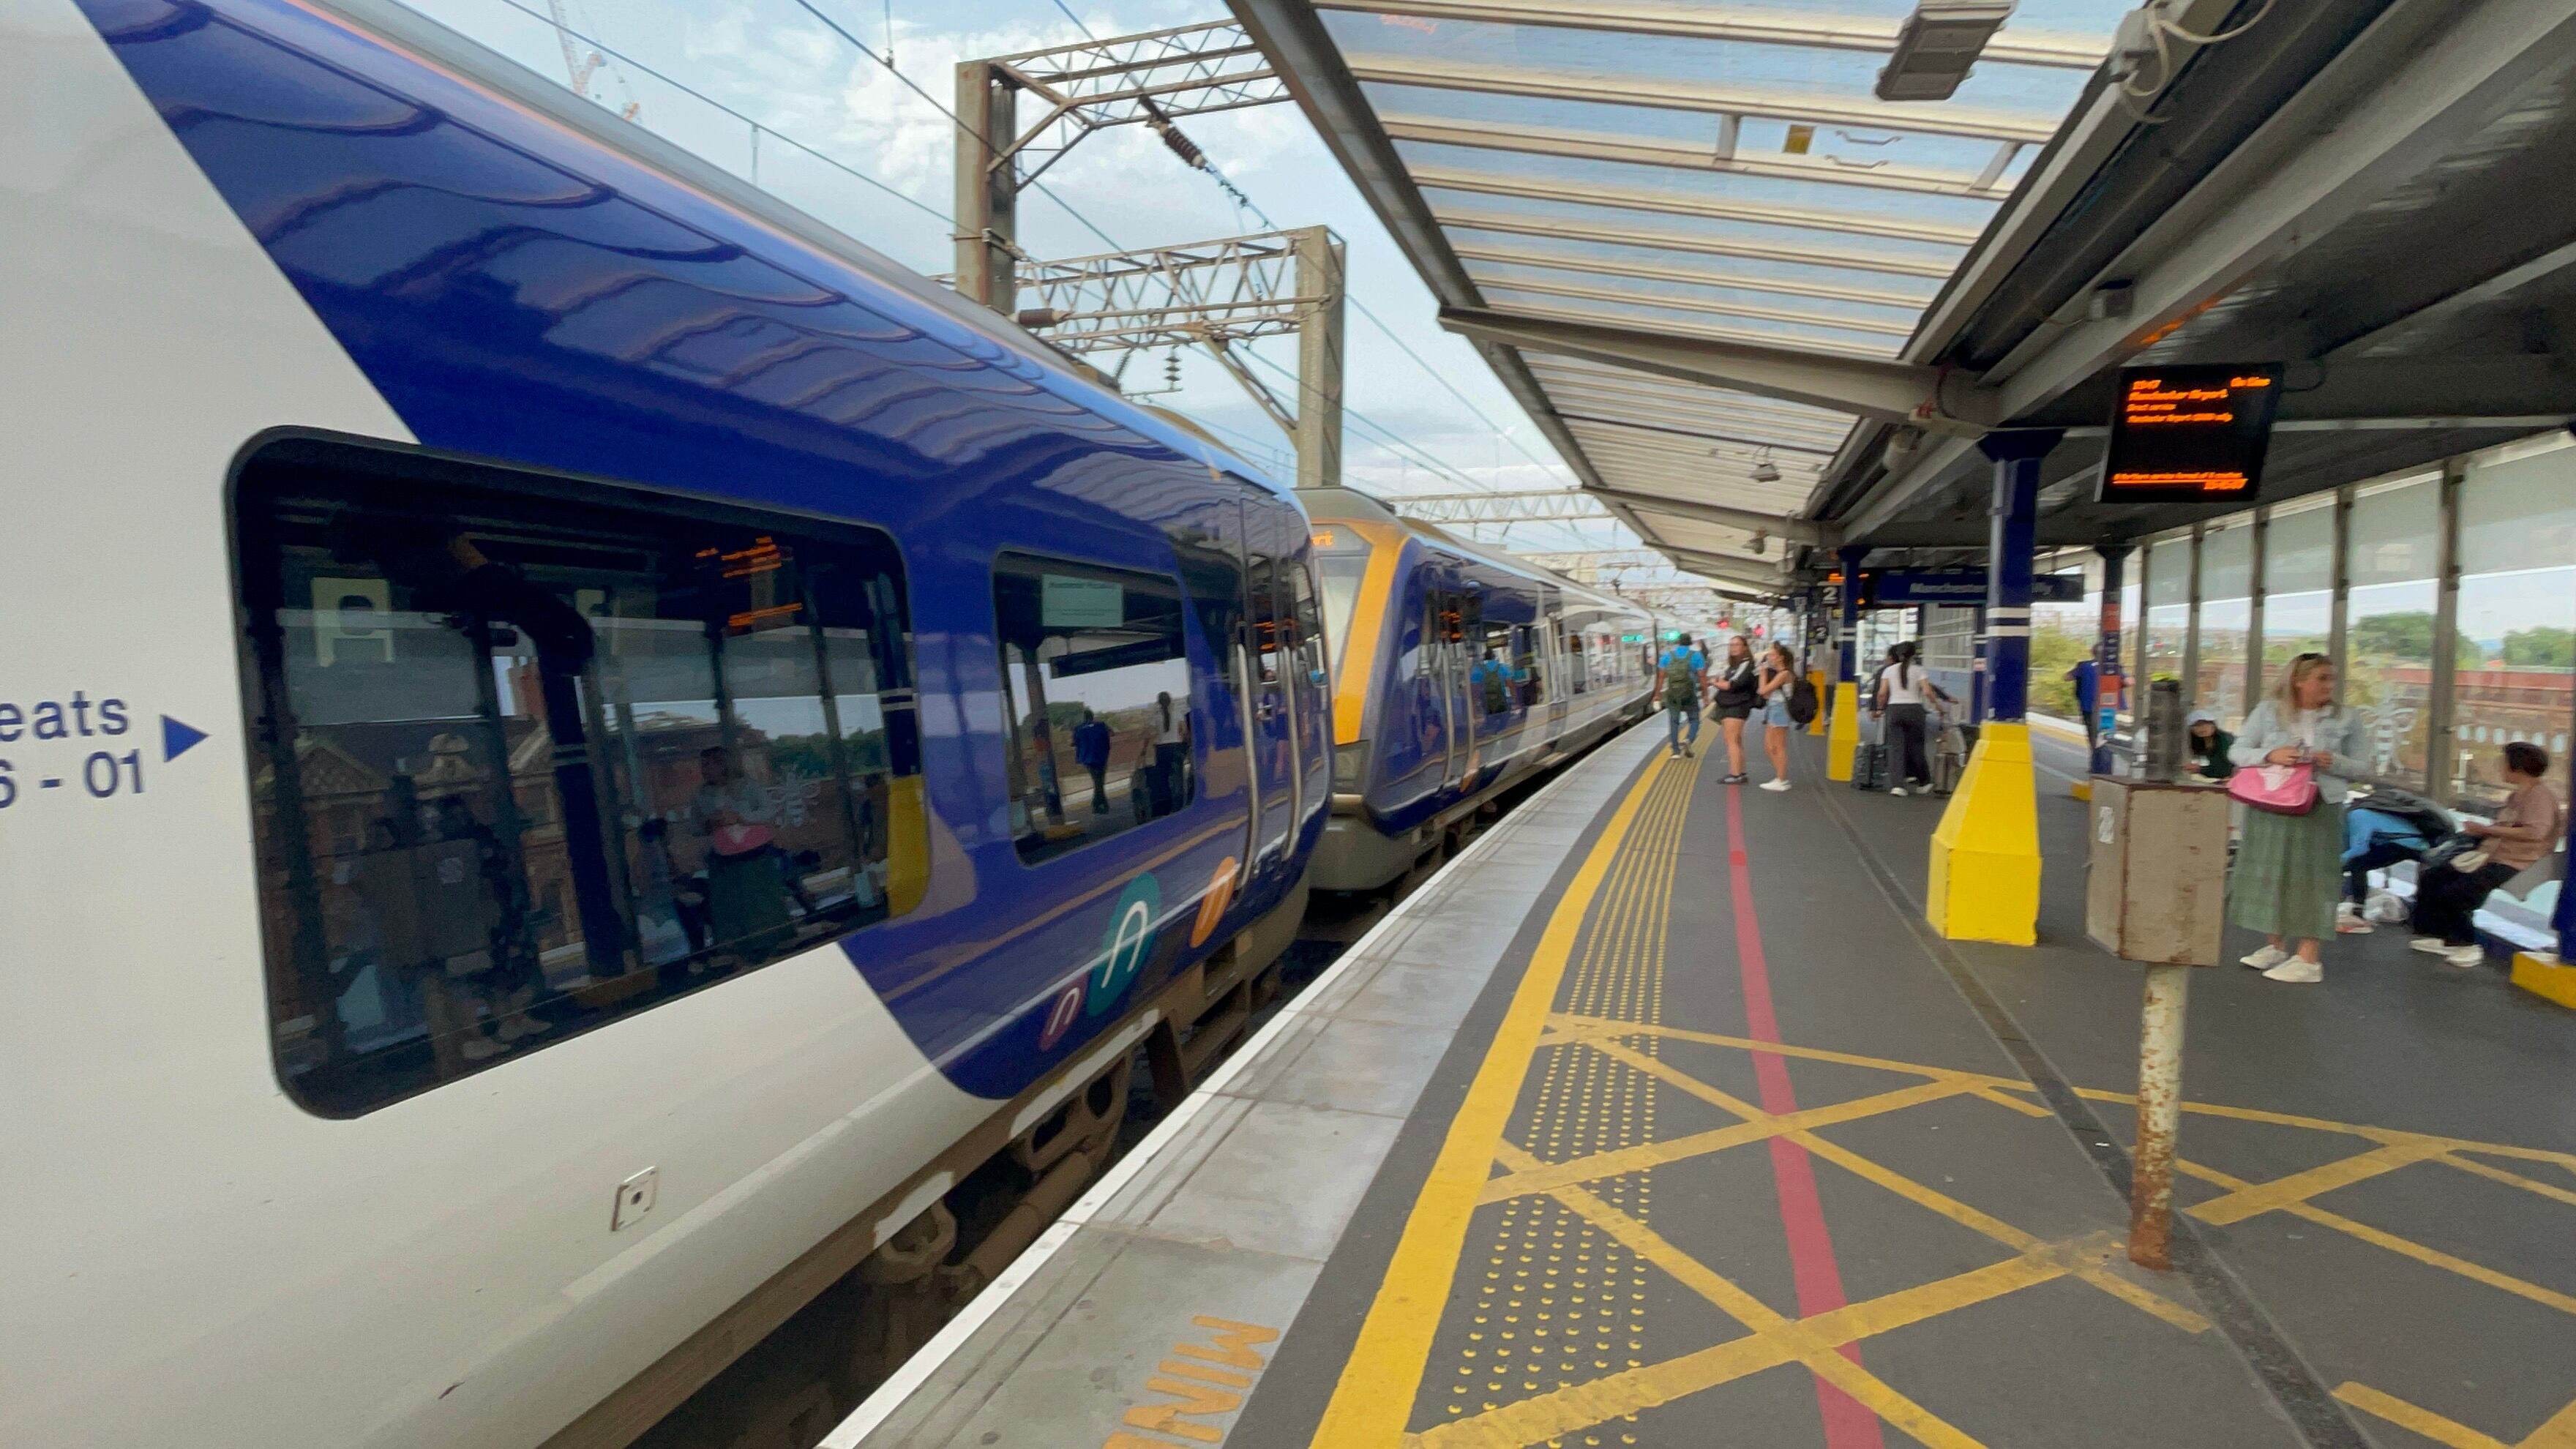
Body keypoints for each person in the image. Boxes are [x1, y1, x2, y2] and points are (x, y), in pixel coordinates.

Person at [2227, 653, 2370, 984]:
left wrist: (2332, 761)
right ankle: (2275, 945)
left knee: (2313, 877)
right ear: (2298, 680)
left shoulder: (2348, 718)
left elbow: (2364, 767)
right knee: (2270, 871)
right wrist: (2270, 755)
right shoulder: (2268, 711)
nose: (2329, 685)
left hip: (2320, 804)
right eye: (2322, 678)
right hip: (2272, 801)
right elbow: (2237, 751)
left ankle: (2308, 957)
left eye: (2332, 678)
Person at [2410, 743, 2563, 969]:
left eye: (2503, 762)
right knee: (2436, 875)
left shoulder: (2540, 796)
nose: (2500, 767)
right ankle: (2442, 935)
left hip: (2519, 861)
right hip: (2494, 854)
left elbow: (2536, 832)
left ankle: (2466, 943)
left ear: (2517, 767)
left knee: (2463, 890)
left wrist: (2486, 831)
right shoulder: (2517, 795)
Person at [1873, 640, 1951, 797]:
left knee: (1896, 748)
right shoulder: (1919, 670)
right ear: (1914, 654)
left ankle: (1898, 786)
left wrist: (1880, 708)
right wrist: (1939, 708)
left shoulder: (1888, 671)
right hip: (1915, 711)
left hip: (1894, 710)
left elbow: (1882, 694)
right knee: (1916, 747)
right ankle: (1924, 782)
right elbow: (1928, 692)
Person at [1711, 634, 1759, 784]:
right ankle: (1740, 772)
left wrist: (1715, 683)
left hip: (1736, 706)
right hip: (1735, 705)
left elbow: (1733, 685)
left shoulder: (1746, 664)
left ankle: (1735, 774)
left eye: (1737, 645)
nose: (1733, 648)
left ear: (1745, 647)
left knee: (1731, 740)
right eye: (1731, 645)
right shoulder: (1736, 665)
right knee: (1736, 740)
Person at [1754, 641, 1797, 791]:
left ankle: (1781, 779)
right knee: (1769, 746)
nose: (1769, 657)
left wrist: (1763, 673)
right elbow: (1766, 694)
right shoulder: (1780, 674)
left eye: (1772, 654)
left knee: (1778, 746)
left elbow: (1762, 690)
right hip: (1774, 708)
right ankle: (1779, 776)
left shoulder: (1784, 674)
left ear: (1781, 658)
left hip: (1780, 710)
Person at [1657, 632, 1707, 759]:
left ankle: (1675, 751)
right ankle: (1689, 739)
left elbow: (1661, 677)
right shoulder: (1697, 656)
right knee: (1694, 719)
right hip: (1690, 694)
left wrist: (1657, 695)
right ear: (1690, 643)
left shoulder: (1668, 656)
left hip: (1673, 694)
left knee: (1674, 722)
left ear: (1678, 642)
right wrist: (1705, 695)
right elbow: (1702, 677)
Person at [1149, 692, 1188, 817]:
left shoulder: (1156, 717)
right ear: (1170, 701)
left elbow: (1151, 734)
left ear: (1159, 703)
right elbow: (1184, 731)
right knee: (1178, 778)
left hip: (1162, 749)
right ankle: (1179, 805)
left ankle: (1167, 805)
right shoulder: (1178, 714)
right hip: (1175, 747)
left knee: (1163, 779)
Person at [1071, 708, 1113, 816]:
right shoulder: (1101, 725)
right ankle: (1100, 804)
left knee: (1097, 781)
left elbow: (1074, 742)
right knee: (1100, 781)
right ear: (1093, 716)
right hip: (1101, 756)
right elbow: (1111, 733)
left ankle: (1099, 805)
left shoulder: (1079, 729)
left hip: (1087, 758)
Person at [2184, 709, 2236, 782]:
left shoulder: (2224, 740)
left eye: (2205, 724)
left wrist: (2200, 769)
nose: (2201, 728)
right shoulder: (2202, 743)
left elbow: (2225, 769)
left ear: (2213, 725)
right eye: (2196, 726)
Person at [2067, 654, 2102, 753]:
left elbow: (2067, 677)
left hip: (2088, 706)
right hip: (2107, 708)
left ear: (2093, 652)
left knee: (2092, 735)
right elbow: (2129, 681)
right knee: (2105, 736)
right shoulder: (2112, 667)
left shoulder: (2084, 666)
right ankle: (2104, 763)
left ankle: (2095, 762)